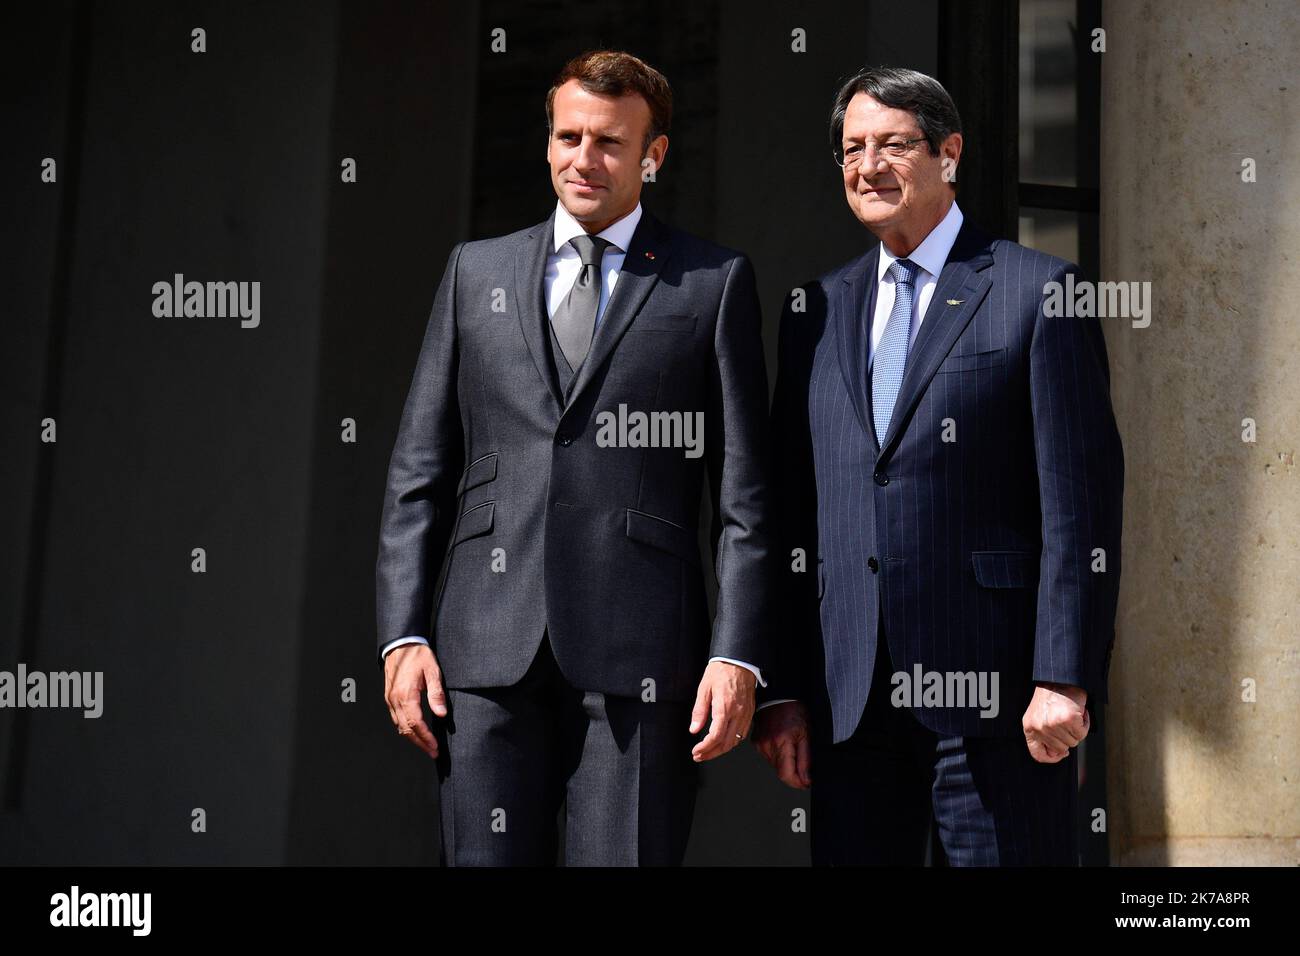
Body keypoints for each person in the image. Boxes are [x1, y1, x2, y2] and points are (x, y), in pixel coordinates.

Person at [375, 49, 773, 866]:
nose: (583, 159)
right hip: (480, 650)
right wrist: (402, 635)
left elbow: (744, 494)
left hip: (643, 654)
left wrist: (735, 652)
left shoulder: (713, 283)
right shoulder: (471, 271)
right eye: (568, 137)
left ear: (653, 156)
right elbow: (419, 472)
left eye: (610, 143)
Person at [753, 66, 1124, 865]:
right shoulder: (812, 312)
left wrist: (1064, 676)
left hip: (995, 698)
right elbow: (789, 507)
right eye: (851, 149)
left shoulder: (1038, 291)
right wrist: (781, 688)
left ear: (949, 153)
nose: (866, 166)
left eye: (893, 144)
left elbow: (1080, 505)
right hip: (849, 699)